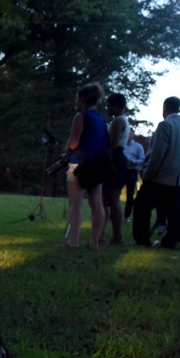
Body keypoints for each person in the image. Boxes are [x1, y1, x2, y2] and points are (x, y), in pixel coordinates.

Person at [132, 97, 180, 249]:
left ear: (165, 108)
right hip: (178, 175)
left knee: (141, 206)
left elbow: (158, 152)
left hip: (161, 175)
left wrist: (149, 172)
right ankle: (170, 241)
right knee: (174, 211)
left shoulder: (165, 125)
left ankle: (142, 238)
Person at [64, 83, 108, 249]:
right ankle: (94, 241)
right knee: (96, 203)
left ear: (82, 99)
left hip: (77, 163)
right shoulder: (100, 118)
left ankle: (73, 240)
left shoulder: (80, 117)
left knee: (75, 203)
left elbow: (74, 142)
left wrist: (67, 148)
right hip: (97, 164)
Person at [102, 93, 130, 244]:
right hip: (119, 158)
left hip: (115, 158)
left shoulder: (118, 121)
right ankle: (107, 234)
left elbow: (112, 144)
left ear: (116, 106)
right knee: (110, 198)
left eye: (109, 105)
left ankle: (116, 235)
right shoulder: (124, 120)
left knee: (111, 198)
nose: (107, 108)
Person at [122, 129, 146, 221]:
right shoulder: (122, 145)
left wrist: (132, 161)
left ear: (132, 135)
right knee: (115, 192)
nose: (127, 135)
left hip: (132, 171)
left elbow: (142, 159)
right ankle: (114, 213)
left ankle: (127, 215)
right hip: (121, 171)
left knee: (130, 194)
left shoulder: (138, 146)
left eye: (129, 134)